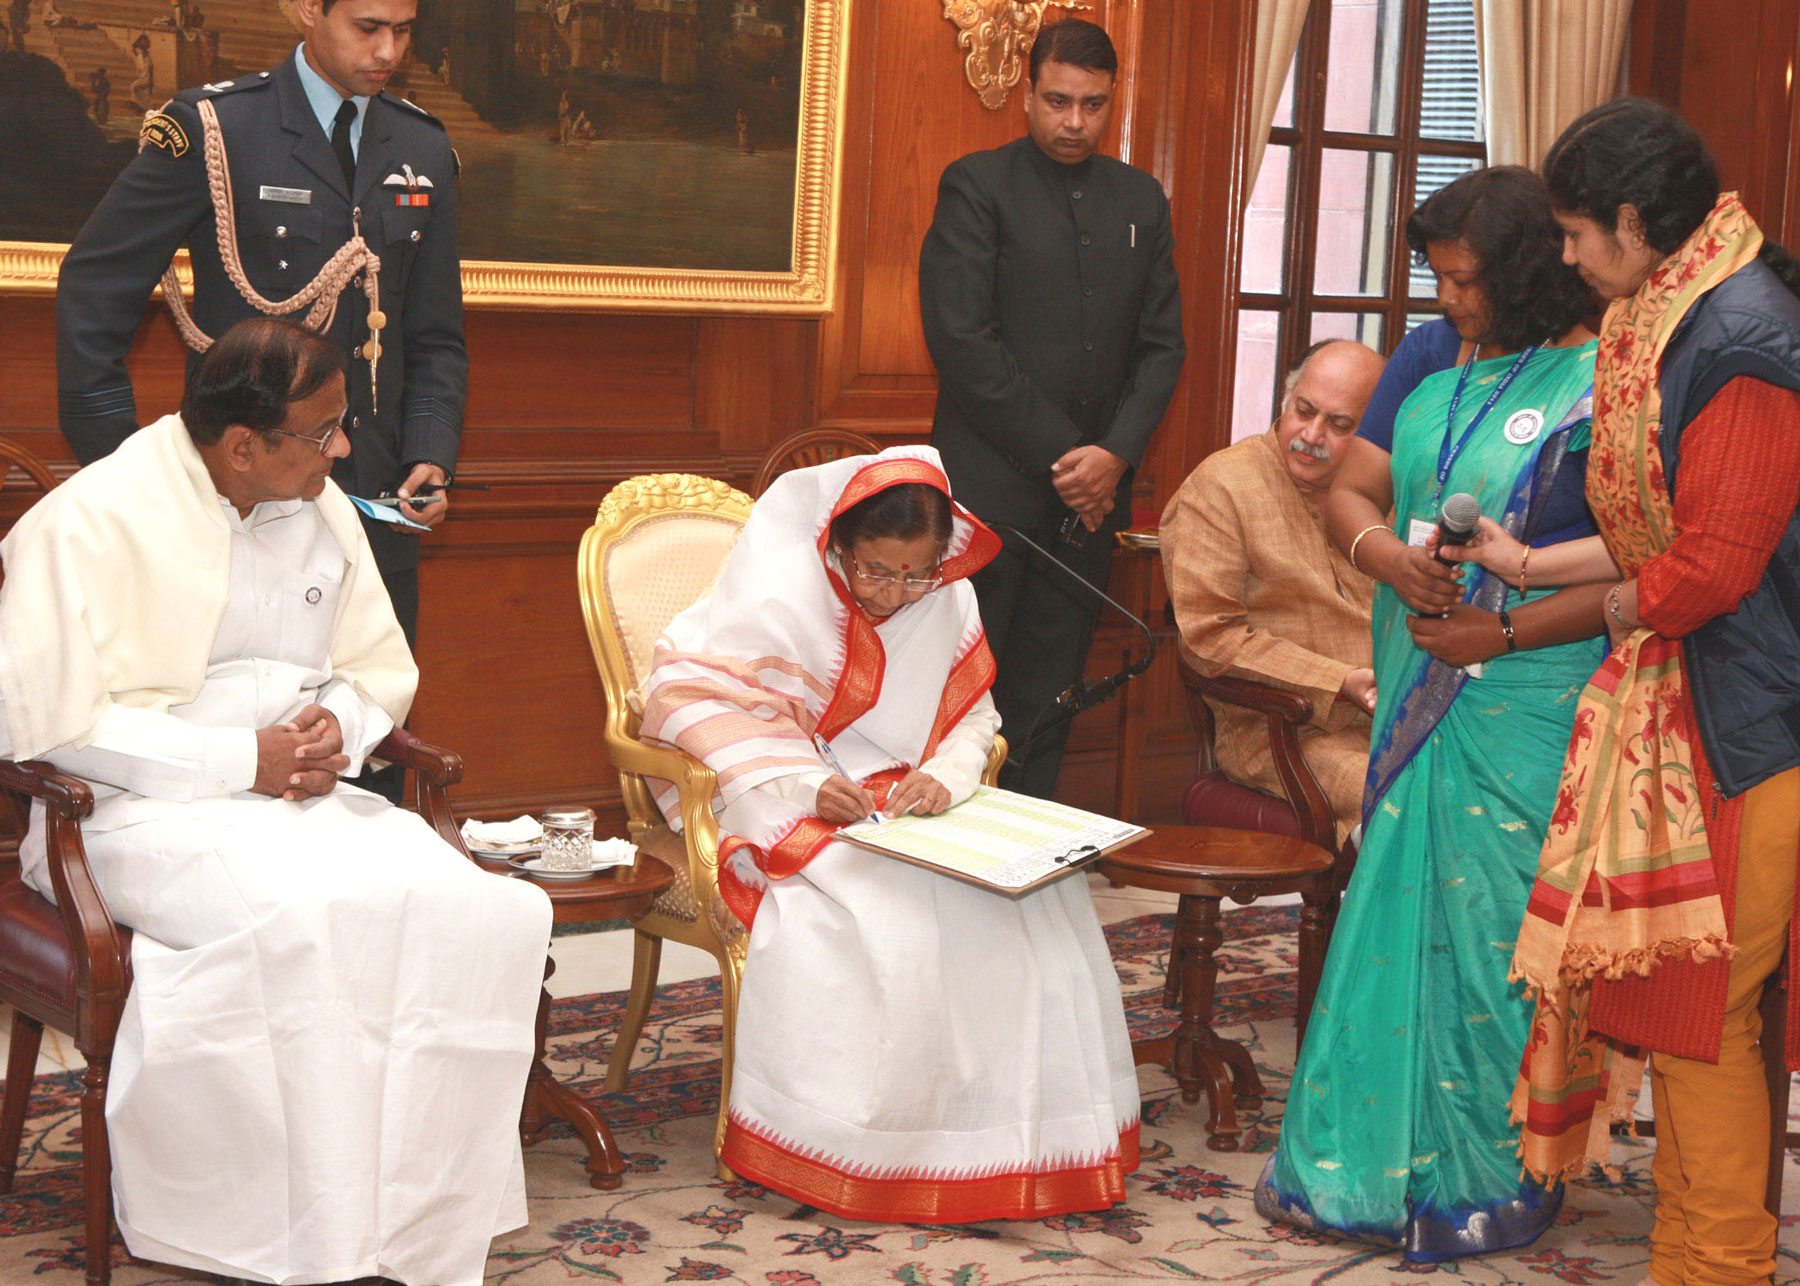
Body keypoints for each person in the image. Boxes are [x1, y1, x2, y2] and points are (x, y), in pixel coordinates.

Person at [0, 318, 549, 1285]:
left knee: (471, 906)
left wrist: (338, 724)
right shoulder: (88, 522)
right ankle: (267, 1227)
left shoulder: (318, 504)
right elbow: (51, 731)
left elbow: (378, 668)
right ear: (242, 444)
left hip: (291, 793)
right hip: (123, 814)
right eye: (324, 430)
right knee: (305, 922)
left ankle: (408, 1213)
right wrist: (235, 761)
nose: (342, 451)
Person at [638, 446, 1141, 1222]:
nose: (896, 594)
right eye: (875, 571)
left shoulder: (949, 596)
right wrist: (808, 783)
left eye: (917, 574)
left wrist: (949, 772)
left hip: (907, 796)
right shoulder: (779, 588)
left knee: (1037, 896)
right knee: (888, 912)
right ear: (838, 546)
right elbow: (686, 696)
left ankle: (1004, 1133)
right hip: (784, 792)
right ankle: (873, 1143)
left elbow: (975, 715)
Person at [1254, 165, 1607, 1260]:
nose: (1448, 300)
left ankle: (1490, 1168)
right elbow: (1351, 489)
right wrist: (1388, 561)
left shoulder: (1613, 378)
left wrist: (1499, 626)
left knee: (1499, 928)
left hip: (1531, 697)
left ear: (1524, 275)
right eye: (1440, 278)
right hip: (1420, 664)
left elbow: (1642, 561)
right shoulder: (1429, 355)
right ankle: (1354, 1163)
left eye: (1463, 281)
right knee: (1395, 917)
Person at [1478, 99, 1800, 1286]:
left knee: (1709, 1012)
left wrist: (1613, 610)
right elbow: (1667, 539)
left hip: (1751, 723)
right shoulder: (1682, 311)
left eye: (1573, 232)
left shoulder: (1748, 335)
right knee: (1686, 1013)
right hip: (1714, 703)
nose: (1563, 257)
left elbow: (1711, 565)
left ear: (1630, 222)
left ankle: (1716, 1265)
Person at [56, 0, 467, 650]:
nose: (388, 51)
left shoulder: (423, 146)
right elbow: (94, 286)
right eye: (368, 28)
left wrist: (429, 455)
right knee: (238, 731)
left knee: (373, 729)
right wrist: (122, 466)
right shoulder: (216, 128)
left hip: (373, 509)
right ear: (308, 10)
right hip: (237, 508)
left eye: (404, 30)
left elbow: (435, 335)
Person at [919, 18, 1185, 798]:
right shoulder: (976, 185)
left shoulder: (1141, 198)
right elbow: (964, 343)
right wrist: (1074, 458)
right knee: (964, 692)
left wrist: (1115, 456)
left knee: (1051, 693)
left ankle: (1023, 867)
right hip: (991, 496)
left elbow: (1163, 348)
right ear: (1028, 94)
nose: (1075, 122)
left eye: (1094, 105)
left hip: (1089, 507)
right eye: (1058, 101)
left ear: (1113, 101)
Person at [1159, 339, 1386, 846]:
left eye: (1340, 425)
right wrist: (1340, 680)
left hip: (1398, 717)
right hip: (1284, 732)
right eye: (1303, 411)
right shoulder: (1222, 487)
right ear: (1285, 401)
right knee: (1403, 794)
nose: (1311, 435)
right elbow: (1207, 640)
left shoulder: (1385, 489)